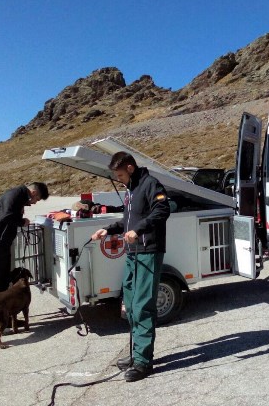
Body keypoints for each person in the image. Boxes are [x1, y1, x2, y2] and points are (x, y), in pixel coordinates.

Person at [91, 152, 170, 382]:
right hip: (133, 254)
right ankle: (136, 354)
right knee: (131, 305)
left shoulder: (150, 185)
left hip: (148, 252)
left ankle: (144, 362)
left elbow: (163, 210)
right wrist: (109, 229)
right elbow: (129, 221)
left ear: (130, 168)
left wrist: (139, 231)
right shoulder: (131, 190)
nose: (119, 179)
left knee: (143, 306)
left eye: (120, 175)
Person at [0, 182, 49, 306]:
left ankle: (1, 317)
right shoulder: (15, 194)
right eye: (36, 199)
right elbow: (6, 216)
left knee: (4, 281)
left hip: (1, 245)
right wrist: (22, 222)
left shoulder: (20, 197)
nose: (34, 203)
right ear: (34, 193)